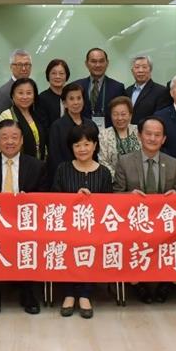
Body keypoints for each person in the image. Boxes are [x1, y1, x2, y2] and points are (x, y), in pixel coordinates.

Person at [0, 119, 47, 315]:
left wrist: (29, 201)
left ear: (22, 140)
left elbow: (45, 198)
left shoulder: (37, 166)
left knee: (29, 242)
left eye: (14, 137)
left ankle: (28, 293)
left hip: (26, 224)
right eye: (4, 138)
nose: (10, 142)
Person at [113, 116, 176, 304]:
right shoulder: (125, 162)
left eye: (157, 135)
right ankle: (137, 283)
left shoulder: (174, 164)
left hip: (164, 224)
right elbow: (114, 195)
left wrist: (175, 196)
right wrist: (128, 196)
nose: (152, 138)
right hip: (133, 223)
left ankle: (168, 283)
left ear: (164, 139)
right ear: (139, 136)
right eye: (148, 134)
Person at [52, 122, 112, 319]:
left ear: (95, 145)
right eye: (77, 145)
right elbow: (54, 201)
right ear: (71, 148)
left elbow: (108, 204)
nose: (82, 149)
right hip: (66, 229)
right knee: (67, 245)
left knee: (90, 247)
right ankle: (69, 293)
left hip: (95, 230)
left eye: (86, 144)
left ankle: (85, 294)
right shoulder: (62, 169)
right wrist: (74, 199)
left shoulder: (103, 172)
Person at [0, 78, 48, 160]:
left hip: (38, 165)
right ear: (13, 95)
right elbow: (2, 144)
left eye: (29, 93)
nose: (25, 97)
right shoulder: (7, 115)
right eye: (20, 93)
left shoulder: (37, 115)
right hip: (15, 164)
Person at [74, 47, 125, 129]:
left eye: (101, 61)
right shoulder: (77, 86)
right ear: (86, 63)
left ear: (107, 63)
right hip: (82, 135)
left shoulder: (118, 87)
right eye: (93, 61)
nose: (98, 65)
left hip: (109, 135)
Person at [47, 83, 88, 183]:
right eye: (71, 99)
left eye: (79, 98)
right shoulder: (57, 127)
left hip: (88, 177)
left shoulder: (90, 125)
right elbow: (54, 158)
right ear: (64, 103)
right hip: (65, 179)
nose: (76, 102)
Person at [98, 96, 140, 176]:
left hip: (140, 179)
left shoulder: (138, 131)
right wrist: (120, 178)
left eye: (123, 114)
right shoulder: (103, 134)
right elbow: (103, 162)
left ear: (130, 115)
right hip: (115, 181)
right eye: (115, 114)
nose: (119, 118)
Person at [127, 54, 171, 125]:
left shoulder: (161, 91)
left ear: (150, 70)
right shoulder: (127, 91)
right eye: (137, 67)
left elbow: (160, 118)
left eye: (144, 67)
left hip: (148, 133)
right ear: (132, 71)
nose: (140, 70)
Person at [0, 49, 32, 114]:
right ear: (11, 67)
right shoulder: (4, 92)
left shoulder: (32, 87)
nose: (24, 68)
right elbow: (2, 121)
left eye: (27, 64)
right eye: (19, 65)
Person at [37, 58, 70, 129]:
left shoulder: (71, 96)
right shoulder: (42, 98)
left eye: (61, 73)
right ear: (48, 75)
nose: (57, 76)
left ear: (66, 76)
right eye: (53, 73)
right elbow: (43, 127)